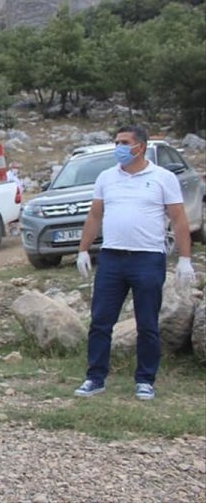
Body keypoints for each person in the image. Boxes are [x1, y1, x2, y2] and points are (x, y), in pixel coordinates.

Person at [74, 125, 194, 401]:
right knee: (101, 321)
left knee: (147, 323)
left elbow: (178, 219)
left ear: (140, 146)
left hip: (148, 258)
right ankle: (95, 377)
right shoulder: (107, 177)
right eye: (116, 142)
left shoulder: (163, 177)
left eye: (124, 142)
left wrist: (185, 259)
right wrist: (83, 250)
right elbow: (95, 215)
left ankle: (145, 379)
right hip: (112, 258)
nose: (119, 147)